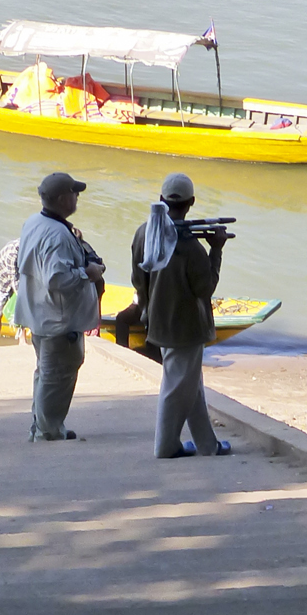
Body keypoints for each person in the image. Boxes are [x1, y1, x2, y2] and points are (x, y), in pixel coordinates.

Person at [131, 172, 233, 460]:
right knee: (177, 387)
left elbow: (138, 279)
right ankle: (166, 446)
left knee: (190, 385)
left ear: (161, 199)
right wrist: (216, 250)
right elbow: (206, 287)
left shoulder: (144, 232)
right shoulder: (190, 246)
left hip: (158, 320)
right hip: (186, 327)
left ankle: (207, 445)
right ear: (191, 203)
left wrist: (146, 308)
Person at [16, 171, 105, 439]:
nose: (77, 196)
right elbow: (57, 278)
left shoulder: (34, 222)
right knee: (57, 377)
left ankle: (44, 425)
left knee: (45, 374)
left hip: (40, 314)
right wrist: (88, 272)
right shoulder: (58, 235)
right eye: (74, 192)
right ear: (63, 198)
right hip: (59, 320)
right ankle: (48, 431)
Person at [0, 237, 28, 347]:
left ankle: (22, 340)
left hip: (16, 276)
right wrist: (21, 296)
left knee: (20, 309)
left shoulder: (29, 246)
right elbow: (13, 277)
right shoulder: (12, 253)